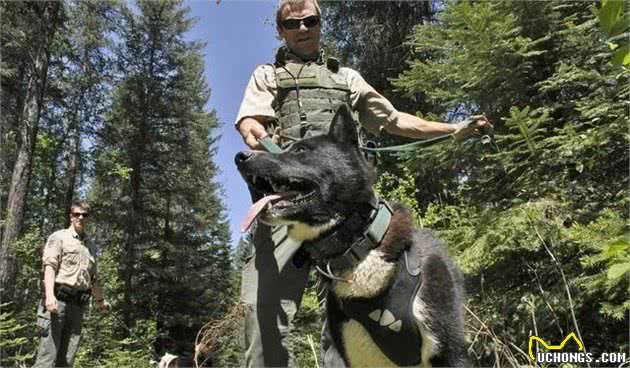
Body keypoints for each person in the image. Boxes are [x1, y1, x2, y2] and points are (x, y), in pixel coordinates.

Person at [235, 0, 491, 366]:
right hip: (290, 200)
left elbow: (393, 120)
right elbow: (250, 122)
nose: (303, 28)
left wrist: (453, 128)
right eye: (293, 24)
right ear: (281, 31)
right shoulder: (267, 75)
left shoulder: (347, 78)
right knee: (264, 309)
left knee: (353, 313)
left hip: (345, 207)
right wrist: (257, 134)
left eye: (311, 21)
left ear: (321, 24)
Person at [33, 201, 110, 368]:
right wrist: (50, 296)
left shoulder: (90, 246)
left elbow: (94, 278)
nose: (80, 217)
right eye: (77, 214)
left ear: (88, 218)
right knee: (47, 357)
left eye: (84, 215)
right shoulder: (59, 237)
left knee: (67, 360)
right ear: (71, 216)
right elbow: (49, 267)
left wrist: (101, 301)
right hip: (57, 303)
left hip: (78, 306)